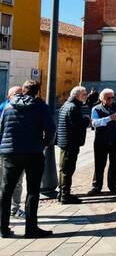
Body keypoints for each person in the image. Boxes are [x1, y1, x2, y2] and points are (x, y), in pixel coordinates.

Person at [0, 80, 55, 238]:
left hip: (9, 153)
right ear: (37, 91)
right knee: (33, 191)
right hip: (33, 152)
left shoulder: (9, 106)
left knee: (6, 191)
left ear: (23, 90)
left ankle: (3, 228)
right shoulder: (40, 107)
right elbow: (50, 129)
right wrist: (45, 143)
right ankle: (31, 228)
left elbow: (1, 128)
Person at [88, 88, 116, 196]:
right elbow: (94, 123)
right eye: (108, 98)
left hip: (115, 139)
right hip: (101, 140)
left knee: (114, 163)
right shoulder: (96, 109)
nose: (111, 100)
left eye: (112, 97)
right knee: (99, 164)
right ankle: (96, 186)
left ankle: (113, 185)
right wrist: (108, 118)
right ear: (102, 99)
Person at [56, 86, 91, 204]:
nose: (86, 96)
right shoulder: (73, 108)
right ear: (77, 96)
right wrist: (86, 120)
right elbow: (77, 125)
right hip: (70, 142)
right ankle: (65, 195)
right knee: (67, 169)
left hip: (66, 141)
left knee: (65, 169)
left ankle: (62, 193)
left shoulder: (66, 105)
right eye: (84, 94)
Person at [0, 86, 25, 219]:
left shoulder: (25, 107)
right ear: (9, 96)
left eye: (22, 93)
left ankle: (15, 208)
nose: (20, 95)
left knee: (18, 182)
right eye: (17, 93)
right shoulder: (4, 108)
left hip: (20, 151)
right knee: (4, 182)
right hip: (5, 151)